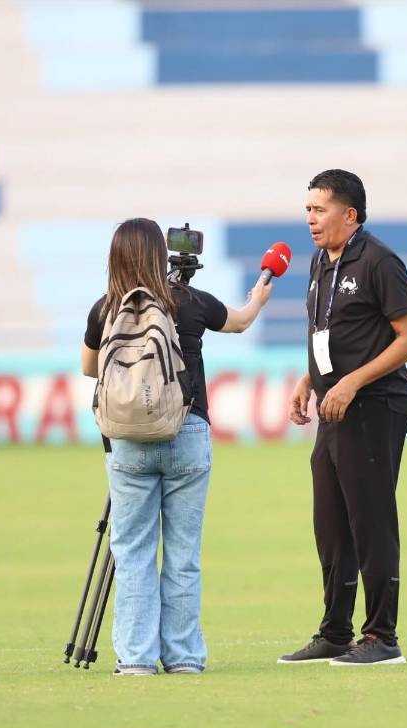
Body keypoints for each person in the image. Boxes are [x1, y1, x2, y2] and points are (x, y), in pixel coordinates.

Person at [82, 218, 272, 675]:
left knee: (132, 554)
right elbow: (241, 322)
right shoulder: (189, 302)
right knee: (183, 555)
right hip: (186, 431)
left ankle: (136, 659)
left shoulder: (104, 308)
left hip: (127, 440)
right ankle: (184, 657)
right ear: (159, 254)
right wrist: (259, 295)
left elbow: (90, 369)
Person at [279, 169, 407, 666]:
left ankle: (383, 636)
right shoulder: (322, 261)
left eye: (319, 210)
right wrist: (309, 380)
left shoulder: (380, 262)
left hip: (376, 403)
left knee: (370, 518)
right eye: (307, 210)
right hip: (335, 406)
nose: (310, 220)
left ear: (350, 215)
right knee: (331, 521)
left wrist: (351, 381)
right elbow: (328, 333)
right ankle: (335, 632)